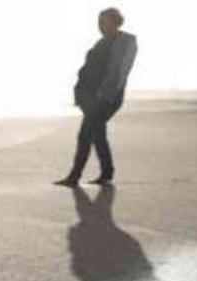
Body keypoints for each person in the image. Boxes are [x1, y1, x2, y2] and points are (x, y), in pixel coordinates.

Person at [55, 8, 138, 186]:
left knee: (85, 135)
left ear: (116, 22)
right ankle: (106, 173)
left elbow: (118, 72)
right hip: (93, 98)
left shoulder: (124, 42)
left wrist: (102, 96)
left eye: (105, 22)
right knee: (97, 134)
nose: (101, 26)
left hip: (105, 98)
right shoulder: (103, 42)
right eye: (99, 22)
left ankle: (75, 177)